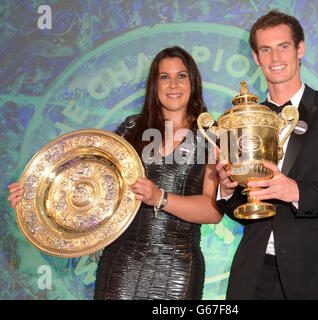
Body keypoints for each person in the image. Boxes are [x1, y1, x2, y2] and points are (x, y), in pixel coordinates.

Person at [8, 46, 222, 300]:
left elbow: (212, 211)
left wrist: (159, 198)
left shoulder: (212, 134)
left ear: (193, 82)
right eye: (164, 77)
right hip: (122, 263)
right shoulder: (131, 127)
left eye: (181, 76)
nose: (173, 84)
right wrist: (33, 195)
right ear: (154, 84)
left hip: (178, 268)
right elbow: (88, 183)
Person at [216, 10, 318, 300]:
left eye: (283, 46)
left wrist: (296, 191)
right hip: (254, 275)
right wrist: (228, 193)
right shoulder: (242, 121)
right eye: (266, 49)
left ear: (300, 49)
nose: (275, 57)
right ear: (256, 57)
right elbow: (246, 212)